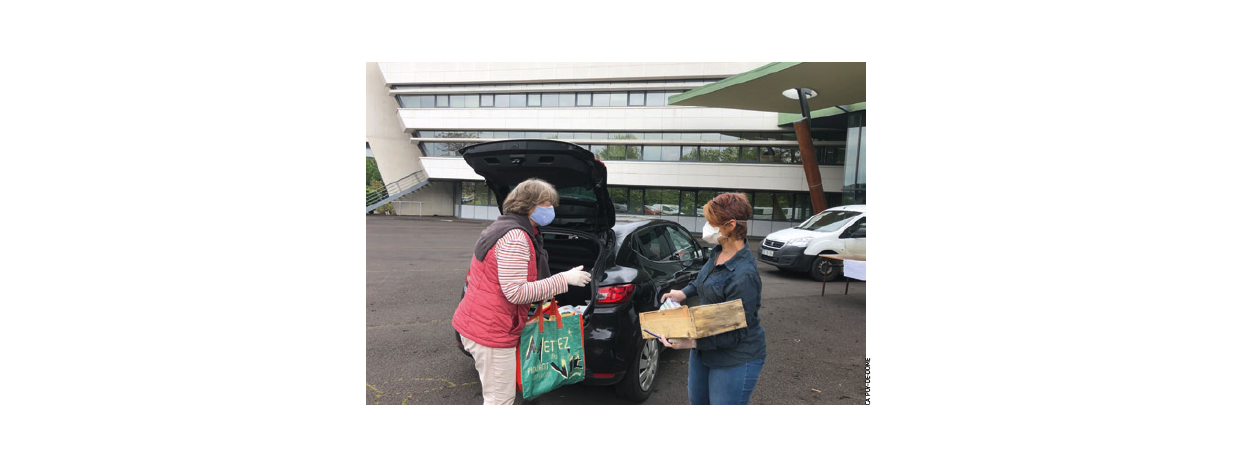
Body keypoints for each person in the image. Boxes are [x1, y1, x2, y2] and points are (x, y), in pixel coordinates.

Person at [451, 178, 592, 405]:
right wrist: (564, 279)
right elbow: (515, 293)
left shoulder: (504, 226)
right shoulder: (515, 237)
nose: (551, 209)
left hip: (483, 323)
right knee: (500, 401)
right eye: (546, 203)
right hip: (491, 332)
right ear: (528, 204)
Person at [658, 192, 766, 405]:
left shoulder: (744, 275)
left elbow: (735, 333)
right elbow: (702, 279)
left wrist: (690, 342)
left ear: (731, 225)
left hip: (734, 356)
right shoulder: (718, 251)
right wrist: (684, 293)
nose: (706, 227)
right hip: (703, 347)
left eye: (711, 223)